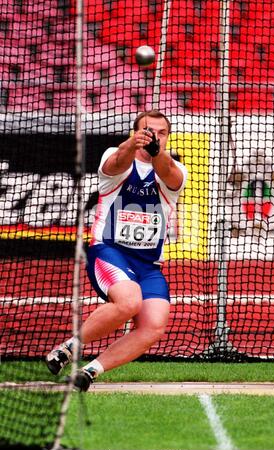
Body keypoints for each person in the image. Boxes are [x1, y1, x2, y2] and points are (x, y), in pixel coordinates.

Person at [45, 110, 187, 391]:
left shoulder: (176, 168)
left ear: (168, 137)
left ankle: (90, 371)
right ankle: (68, 349)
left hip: (148, 264)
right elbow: (116, 163)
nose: (155, 137)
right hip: (109, 251)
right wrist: (134, 144)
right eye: (149, 131)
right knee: (129, 301)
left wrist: (156, 151)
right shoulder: (117, 155)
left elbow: (167, 173)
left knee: (155, 324)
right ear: (134, 133)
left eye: (161, 133)